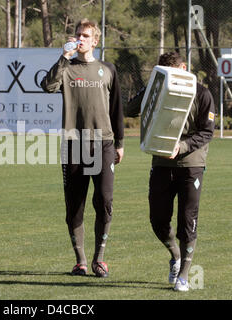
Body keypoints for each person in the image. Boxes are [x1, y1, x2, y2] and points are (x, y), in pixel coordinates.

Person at [41, 19, 124, 278]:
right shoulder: (66, 68)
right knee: (75, 205)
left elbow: (117, 109)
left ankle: (100, 259)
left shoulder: (107, 69)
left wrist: (120, 143)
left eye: (85, 36)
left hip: (103, 144)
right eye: (77, 35)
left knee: (104, 201)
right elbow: (47, 86)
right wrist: (63, 57)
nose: (80, 39)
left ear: (95, 41)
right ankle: (81, 260)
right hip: (74, 145)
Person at [127, 52, 215, 291]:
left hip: (191, 166)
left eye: (172, 74)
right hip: (161, 164)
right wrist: (153, 87)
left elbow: (207, 132)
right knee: (157, 220)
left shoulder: (203, 93)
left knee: (187, 221)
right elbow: (128, 110)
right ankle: (175, 256)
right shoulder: (158, 88)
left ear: (183, 68)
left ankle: (184, 276)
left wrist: (183, 146)